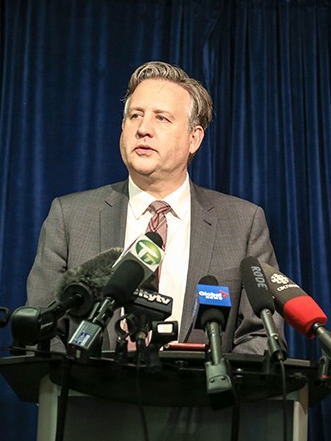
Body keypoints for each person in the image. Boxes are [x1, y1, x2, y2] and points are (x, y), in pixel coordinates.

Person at [26, 60, 282, 354]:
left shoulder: (242, 223)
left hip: (200, 397)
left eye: (161, 118)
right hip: (94, 396)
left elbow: (262, 336)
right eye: (135, 116)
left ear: (194, 138)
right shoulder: (70, 217)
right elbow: (42, 331)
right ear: (122, 127)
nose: (143, 129)